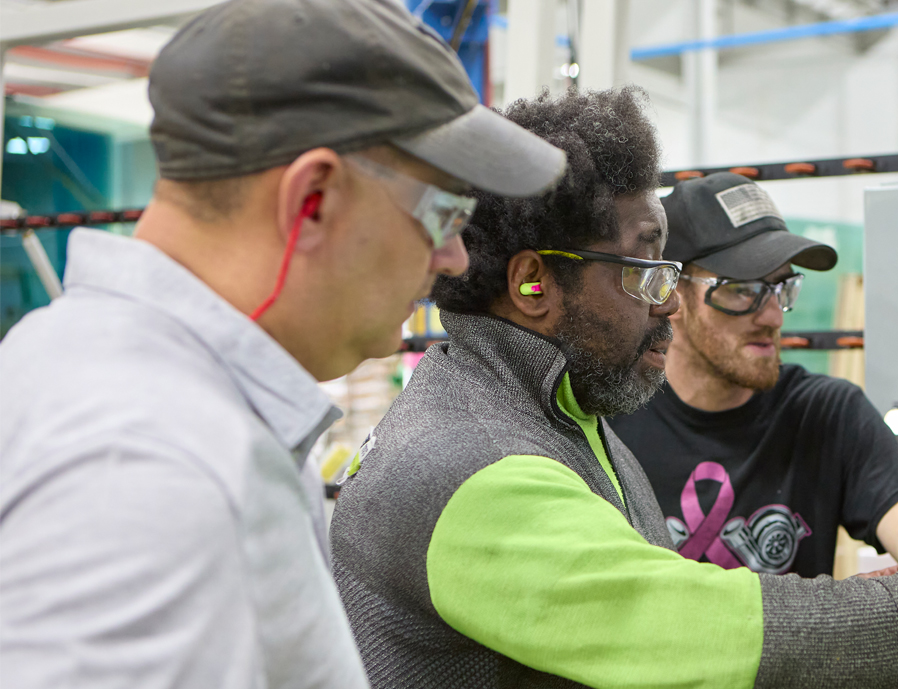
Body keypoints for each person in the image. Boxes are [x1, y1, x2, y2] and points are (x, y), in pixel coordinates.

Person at [330, 87, 898, 689]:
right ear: (534, 284)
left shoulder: (571, 415)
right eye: (644, 270)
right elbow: (695, 629)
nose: (666, 305)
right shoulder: (471, 464)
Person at [0, 0, 565, 686]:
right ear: (313, 200)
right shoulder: (156, 468)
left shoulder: (75, 359)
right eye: (443, 213)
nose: (452, 257)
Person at [609, 172, 898, 578]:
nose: (771, 316)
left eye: (780, 287)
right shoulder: (610, 424)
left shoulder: (826, 414)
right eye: (742, 289)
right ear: (671, 293)